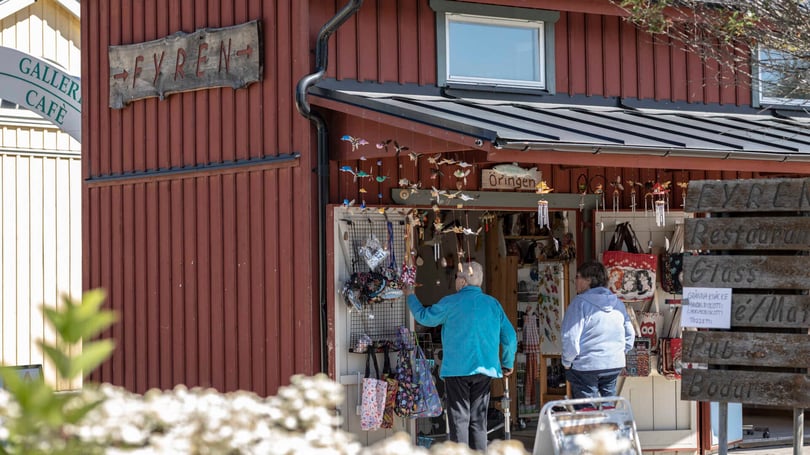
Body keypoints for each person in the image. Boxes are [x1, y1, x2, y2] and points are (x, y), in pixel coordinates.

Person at [405, 261, 517, 451]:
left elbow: (425, 317)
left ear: (464, 282)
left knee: (459, 421)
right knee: (478, 421)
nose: (455, 280)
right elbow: (510, 337)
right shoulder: (493, 304)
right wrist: (507, 363)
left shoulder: (451, 302)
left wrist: (410, 296)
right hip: (485, 369)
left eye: (457, 277)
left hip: (457, 369)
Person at [561, 260, 635, 408]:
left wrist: (567, 362)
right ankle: (609, 428)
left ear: (588, 280)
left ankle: (591, 429)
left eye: (577, 277)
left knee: (588, 411)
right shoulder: (617, 303)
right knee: (608, 406)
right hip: (614, 363)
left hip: (586, 365)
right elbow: (630, 334)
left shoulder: (579, 303)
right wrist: (619, 352)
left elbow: (570, 337)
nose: (575, 281)